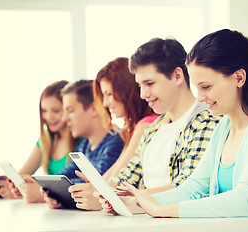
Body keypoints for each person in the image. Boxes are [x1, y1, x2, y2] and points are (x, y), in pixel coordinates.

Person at [98, 29, 248, 232]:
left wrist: (163, 210)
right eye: (197, 87)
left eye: (206, 87)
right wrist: (135, 203)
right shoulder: (224, 127)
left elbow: (245, 200)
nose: (200, 97)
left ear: (239, 78)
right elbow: (193, 188)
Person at [52, 38, 220, 211]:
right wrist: (97, 193)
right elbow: (125, 178)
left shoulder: (205, 121)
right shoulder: (153, 128)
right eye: (140, 85)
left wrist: (115, 197)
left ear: (177, 76)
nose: (143, 94)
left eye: (150, 83)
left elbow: (187, 190)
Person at [20, 80, 125, 204]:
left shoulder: (115, 142)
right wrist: (41, 185)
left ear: (93, 109)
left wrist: (47, 191)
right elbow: (64, 175)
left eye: (70, 111)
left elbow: (96, 185)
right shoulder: (85, 145)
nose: (65, 118)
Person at [0, 80, 78, 198]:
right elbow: (20, 177)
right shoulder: (46, 141)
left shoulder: (81, 142)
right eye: (44, 111)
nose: (49, 117)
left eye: (55, 111)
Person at [94, 57, 158, 180]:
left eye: (109, 94)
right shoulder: (132, 128)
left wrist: (92, 191)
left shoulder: (146, 124)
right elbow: (108, 180)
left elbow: (116, 179)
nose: (105, 103)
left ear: (126, 90)